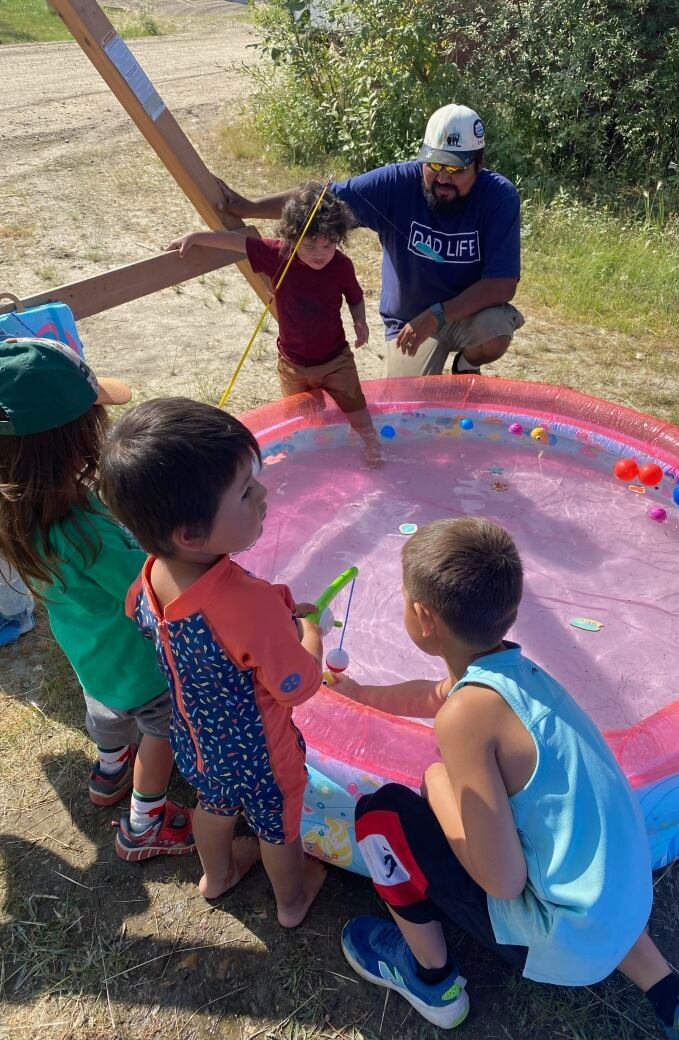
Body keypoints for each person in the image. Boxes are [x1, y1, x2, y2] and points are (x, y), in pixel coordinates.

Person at [330, 518, 679, 1039]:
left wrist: (437, 780)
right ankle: (676, 998)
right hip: (621, 904)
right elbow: (437, 695)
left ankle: (432, 982)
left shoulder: (466, 717)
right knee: (566, 843)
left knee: (381, 814)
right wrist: (362, 695)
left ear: (423, 618)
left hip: (561, 944)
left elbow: (501, 880)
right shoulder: (518, 674)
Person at [99, 397, 327, 925]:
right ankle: (291, 902)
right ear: (191, 535)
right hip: (263, 753)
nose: (264, 495)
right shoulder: (249, 604)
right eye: (246, 492)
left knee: (215, 805)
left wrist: (275, 612)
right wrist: (308, 631)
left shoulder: (153, 573)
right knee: (278, 826)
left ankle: (217, 876)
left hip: (197, 737)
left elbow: (141, 613)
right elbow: (297, 684)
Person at [0, 338, 193, 862]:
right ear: (72, 440)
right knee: (163, 732)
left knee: (107, 710)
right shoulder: (87, 533)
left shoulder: (18, 509)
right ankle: (144, 821)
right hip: (142, 666)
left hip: (90, 655)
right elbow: (156, 585)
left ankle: (109, 774)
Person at [216, 104, 524, 378]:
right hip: (408, 321)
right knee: (407, 412)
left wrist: (437, 314)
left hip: (463, 315)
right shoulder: (396, 183)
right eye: (434, 164)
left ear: (478, 164)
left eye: (455, 168)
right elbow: (319, 200)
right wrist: (249, 207)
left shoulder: (499, 196)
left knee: (494, 331)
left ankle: (466, 367)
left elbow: (502, 284)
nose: (443, 177)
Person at [167, 182, 378, 459]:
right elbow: (235, 242)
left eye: (328, 245)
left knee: (357, 411)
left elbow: (355, 296)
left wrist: (359, 322)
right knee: (299, 416)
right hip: (292, 363)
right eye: (310, 244)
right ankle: (311, 455)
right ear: (292, 236)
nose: (320, 253)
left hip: (336, 361)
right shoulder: (278, 255)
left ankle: (373, 446)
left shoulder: (341, 265)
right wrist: (196, 236)